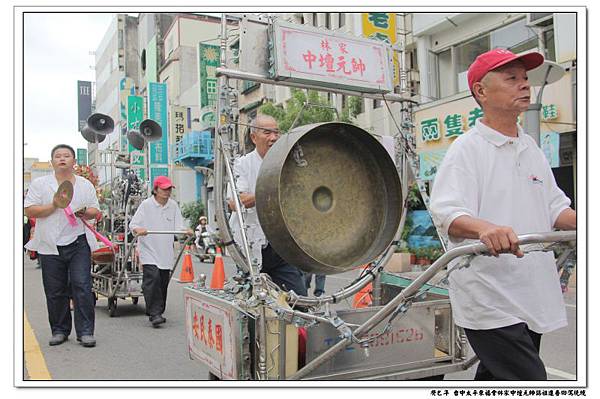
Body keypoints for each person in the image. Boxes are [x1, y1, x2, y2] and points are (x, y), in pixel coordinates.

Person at [429, 48, 576, 380]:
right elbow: (448, 212)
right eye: (512, 79)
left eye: (525, 79)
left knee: (497, 380)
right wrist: (485, 228)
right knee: (528, 381)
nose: (523, 85)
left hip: (530, 287)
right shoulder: (467, 149)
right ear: (481, 91)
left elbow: (555, 208)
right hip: (489, 293)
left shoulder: (531, 148)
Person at [24, 144, 100, 347]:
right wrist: (54, 205)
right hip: (49, 244)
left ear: (74, 161)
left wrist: (84, 212)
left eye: (67, 155)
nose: (62, 159)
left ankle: (85, 332)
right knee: (55, 290)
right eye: (58, 156)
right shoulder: (40, 184)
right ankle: (59, 330)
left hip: (78, 242)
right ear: (52, 162)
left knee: (82, 286)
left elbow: (95, 210)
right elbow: (29, 210)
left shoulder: (84, 185)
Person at [228, 114, 307, 296]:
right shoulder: (241, 164)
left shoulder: (288, 163)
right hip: (250, 247)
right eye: (267, 133)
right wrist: (269, 192)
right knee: (253, 303)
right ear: (254, 137)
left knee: (298, 298)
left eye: (276, 132)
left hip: (281, 246)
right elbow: (235, 203)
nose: (273, 138)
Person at [129, 176, 193, 328]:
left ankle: (156, 310)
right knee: (153, 278)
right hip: (149, 249)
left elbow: (179, 226)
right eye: (164, 189)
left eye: (169, 189)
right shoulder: (146, 205)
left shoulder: (173, 206)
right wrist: (139, 229)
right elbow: (134, 225)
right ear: (156, 190)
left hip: (165, 250)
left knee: (163, 281)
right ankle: (155, 313)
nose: (167, 192)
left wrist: (186, 231)